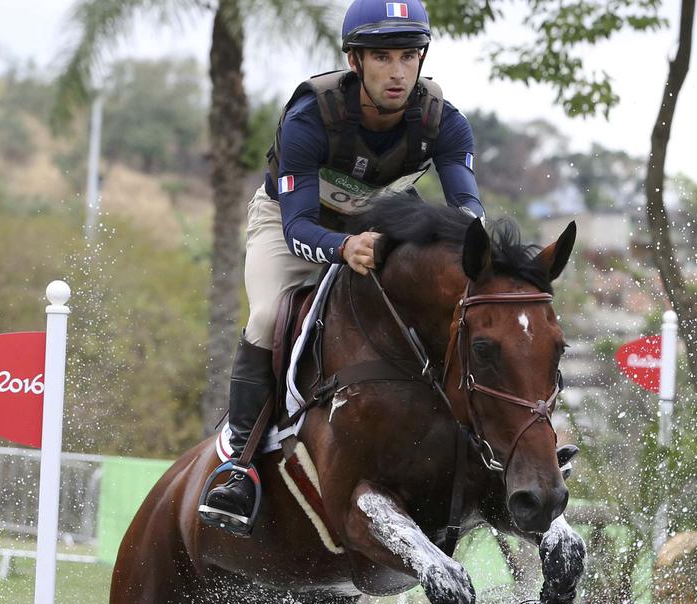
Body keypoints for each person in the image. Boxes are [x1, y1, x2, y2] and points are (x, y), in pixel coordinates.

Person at [199, 0, 485, 535]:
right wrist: (342, 248)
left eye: (408, 56)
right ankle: (238, 464)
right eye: (381, 58)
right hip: (294, 225)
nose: (397, 72)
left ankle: (484, 444)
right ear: (355, 62)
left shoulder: (443, 123)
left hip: (380, 230)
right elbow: (298, 226)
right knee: (265, 316)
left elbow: (467, 210)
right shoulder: (312, 116)